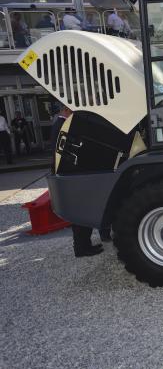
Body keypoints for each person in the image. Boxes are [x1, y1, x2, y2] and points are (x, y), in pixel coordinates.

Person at [50, 106, 109, 257]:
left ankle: (85, 245)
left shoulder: (60, 124)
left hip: (74, 173)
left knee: (83, 214)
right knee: (81, 215)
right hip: (73, 173)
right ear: (66, 110)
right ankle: (82, 248)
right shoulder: (62, 125)